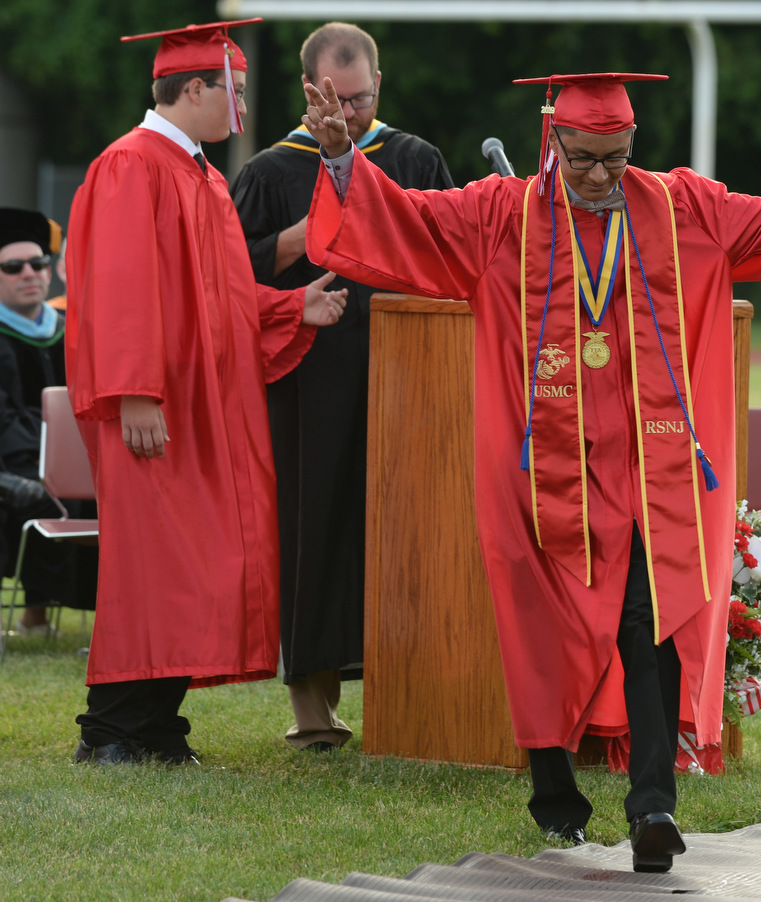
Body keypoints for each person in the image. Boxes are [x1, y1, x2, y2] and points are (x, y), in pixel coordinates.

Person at [302, 72, 761, 871]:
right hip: (540, 473)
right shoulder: (503, 215)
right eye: (582, 159)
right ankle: (555, 794)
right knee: (541, 632)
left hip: (650, 467)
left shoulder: (681, 208)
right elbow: (406, 223)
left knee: (652, 621)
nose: (600, 176)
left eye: (615, 157)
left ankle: (652, 808)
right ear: (553, 143)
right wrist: (340, 163)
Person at [64, 18, 346, 766]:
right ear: (195, 88)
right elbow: (119, 291)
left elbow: (220, 297)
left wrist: (293, 307)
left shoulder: (200, 174)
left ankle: (157, 722)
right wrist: (135, 393)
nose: (244, 112)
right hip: (157, 407)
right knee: (154, 567)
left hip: (198, 411)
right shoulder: (132, 165)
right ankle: (112, 729)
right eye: (237, 93)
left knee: (198, 568)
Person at [230, 22, 453, 752]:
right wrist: (298, 238)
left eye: (360, 99)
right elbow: (228, 275)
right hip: (308, 382)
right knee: (312, 525)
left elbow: (453, 257)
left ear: (378, 86)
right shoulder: (267, 172)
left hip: (409, 376)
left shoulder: (414, 158)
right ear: (307, 90)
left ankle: (409, 689)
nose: (349, 112)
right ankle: (311, 705)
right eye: (336, 97)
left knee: (403, 529)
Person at [0, 208, 97, 634]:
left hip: (79, 458)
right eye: (12, 266)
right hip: (11, 463)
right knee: (27, 491)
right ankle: (34, 615)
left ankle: (51, 615)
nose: (29, 273)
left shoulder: (70, 328)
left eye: (38, 263)